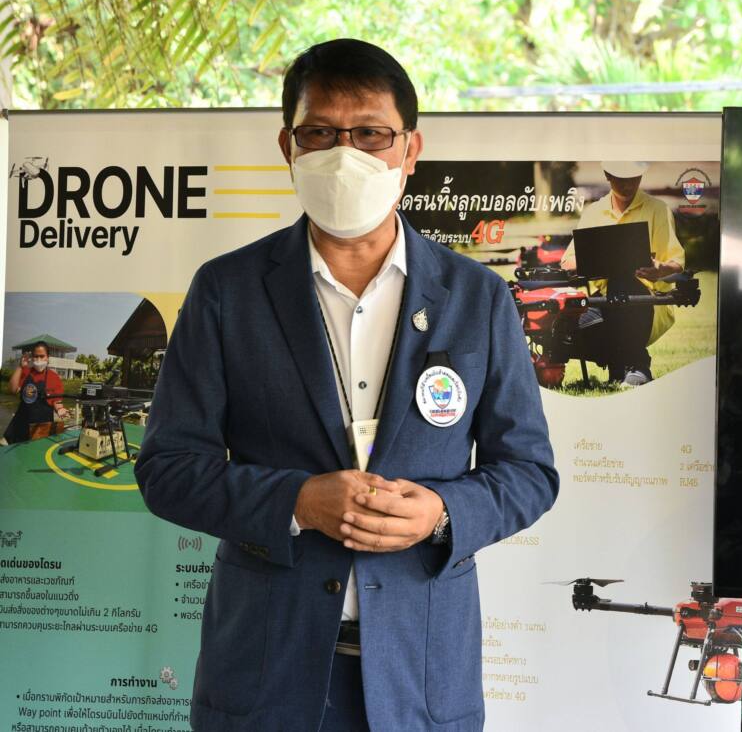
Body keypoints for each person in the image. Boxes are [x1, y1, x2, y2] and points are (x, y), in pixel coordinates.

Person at [135, 38, 558, 732]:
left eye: (370, 134)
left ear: (410, 150)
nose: (344, 154)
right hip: (265, 670)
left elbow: (529, 472)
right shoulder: (227, 291)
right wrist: (296, 501)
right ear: (288, 146)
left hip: (421, 674)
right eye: (320, 134)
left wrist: (442, 512)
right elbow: (169, 469)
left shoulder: (476, 297)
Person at [560, 161, 685, 386]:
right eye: (621, 178)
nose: (628, 185)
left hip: (648, 302)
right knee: (562, 327)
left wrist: (661, 270)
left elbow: (676, 263)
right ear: (607, 175)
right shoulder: (593, 212)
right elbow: (567, 263)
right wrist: (591, 260)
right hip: (603, 302)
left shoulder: (658, 209)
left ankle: (637, 365)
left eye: (634, 178)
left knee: (621, 282)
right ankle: (618, 366)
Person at [4, 341, 69, 444]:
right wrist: (20, 367)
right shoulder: (25, 372)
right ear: (32, 357)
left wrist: (60, 409)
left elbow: (57, 401)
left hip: (42, 428)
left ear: (47, 357)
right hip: (20, 425)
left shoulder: (54, 377)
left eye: (42, 356)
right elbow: (12, 390)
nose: (39, 359)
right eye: (36, 356)